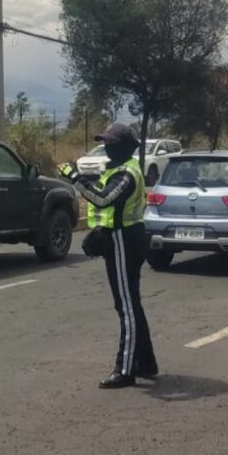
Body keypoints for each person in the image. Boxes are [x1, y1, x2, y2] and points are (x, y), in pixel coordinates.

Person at [60, 123, 158, 389]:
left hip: (124, 239)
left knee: (126, 306)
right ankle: (146, 363)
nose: (106, 146)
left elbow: (103, 200)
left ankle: (125, 370)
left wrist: (75, 178)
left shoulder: (126, 173)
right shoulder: (117, 168)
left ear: (124, 147)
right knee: (130, 303)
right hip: (119, 238)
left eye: (111, 143)